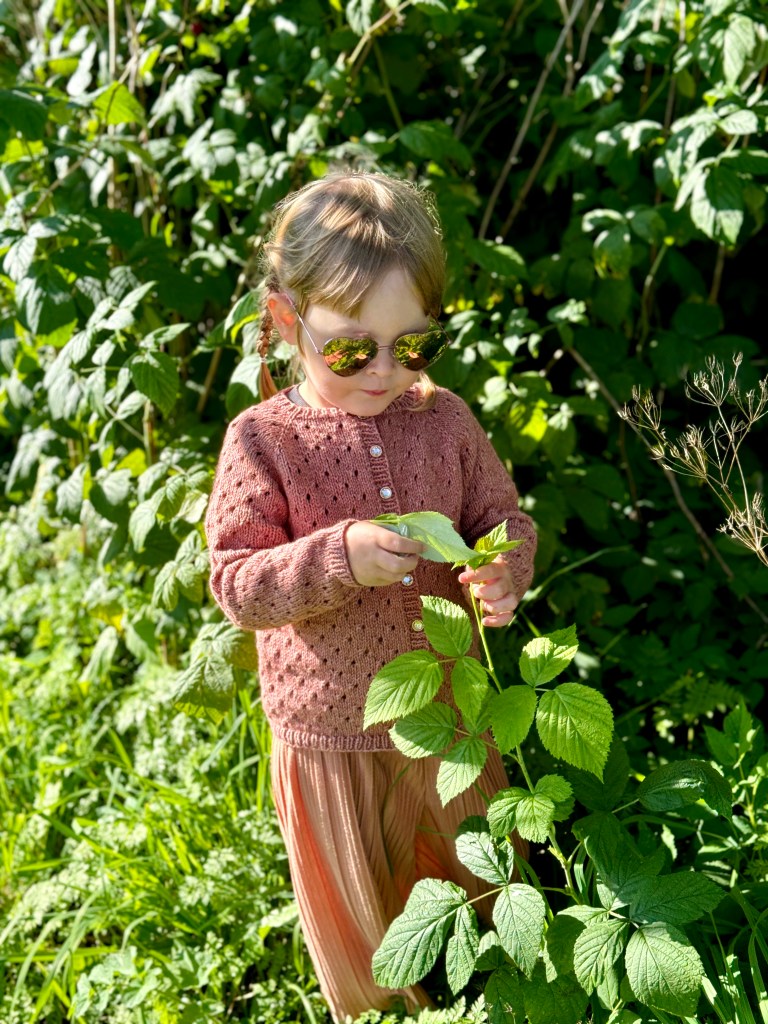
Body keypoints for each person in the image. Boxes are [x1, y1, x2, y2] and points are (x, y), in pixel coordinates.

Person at [204, 170, 537, 1022]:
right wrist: (338, 557)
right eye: (353, 351)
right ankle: (385, 1003)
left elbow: (501, 517)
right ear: (288, 322)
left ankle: (496, 979)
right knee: (368, 911)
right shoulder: (265, 441)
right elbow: (237, 581)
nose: (386, 371)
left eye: (413, 346)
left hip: (449, 710)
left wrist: (502, 569)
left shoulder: (445, 420)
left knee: (475, 872)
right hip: (331, 731)